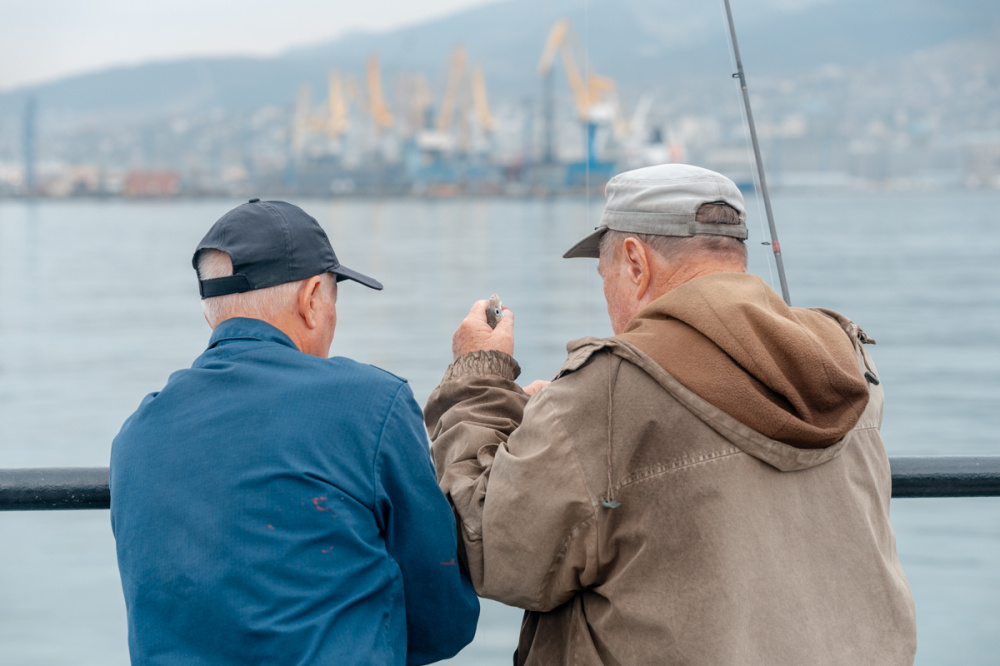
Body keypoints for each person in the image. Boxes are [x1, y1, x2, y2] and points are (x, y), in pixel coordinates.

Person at [425, 165, 917, 665]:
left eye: (605, 274)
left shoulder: (611, 389)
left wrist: (478, 376)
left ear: (635, 262)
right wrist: (568, 414)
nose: (606, 294)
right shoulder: (848, 359)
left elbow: (493, 546)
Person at [110, 199, 478, 665]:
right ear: (309, 301)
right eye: (331, 301)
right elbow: (443, 621)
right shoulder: (369, 404)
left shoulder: (135, 437)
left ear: (212, 313)